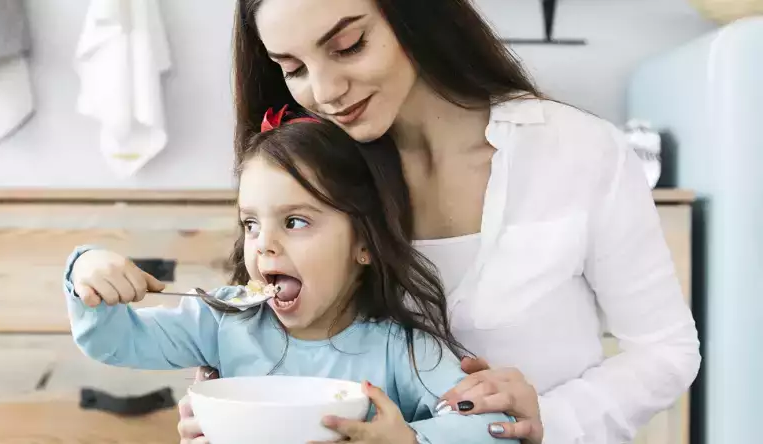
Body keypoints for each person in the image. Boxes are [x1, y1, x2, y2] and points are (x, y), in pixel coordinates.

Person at [178, 0, 702, 443]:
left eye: (349, 46)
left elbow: (665, 351)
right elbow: (269, 334)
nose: (326, 90)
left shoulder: (576, 149)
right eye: (293, 68)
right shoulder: (315, 175)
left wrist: (547, 419)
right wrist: (233, 412)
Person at [65, 111, 515, 443]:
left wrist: (409, 440)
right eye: (251, 224)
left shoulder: (403, 350)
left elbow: (489, 426)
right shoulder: (223, 319)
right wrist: (87, 271)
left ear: (364, 242)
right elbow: (113, 342)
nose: (264, 244)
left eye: (295, 222)